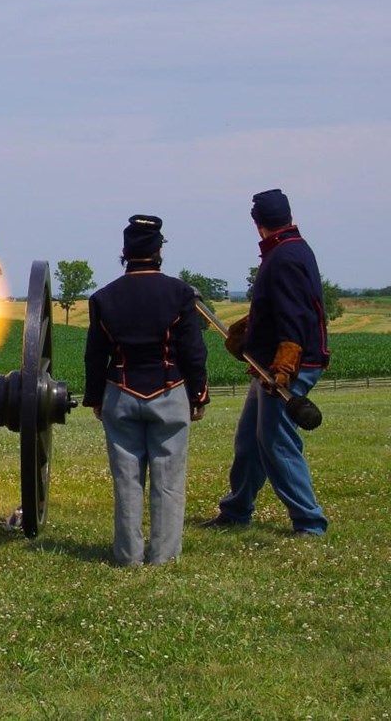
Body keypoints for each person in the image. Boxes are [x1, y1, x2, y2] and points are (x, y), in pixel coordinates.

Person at [83, 215, 209, 566]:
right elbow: (193, 351)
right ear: (158, 251)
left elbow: (95, 354)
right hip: (169, 392)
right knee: (168, 481)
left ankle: (128, 556)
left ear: (125, 252)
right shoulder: (179, 293)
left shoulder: (103, 298)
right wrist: (199, 395)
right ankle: (164, 557)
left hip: (120, 392)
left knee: (127, 481)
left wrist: (95, 397)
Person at [203, 189, 330, 535]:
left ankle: (310, 522)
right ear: (288, 218)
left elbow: (294, 316)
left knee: (276, 441)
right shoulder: (289, 250)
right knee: (249, 440)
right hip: (270, 365)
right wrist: (251, 331)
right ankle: (236, 510)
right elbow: (278, 308)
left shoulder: (285, 257)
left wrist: (284, 367)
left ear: (257, 224)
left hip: (289, 366)